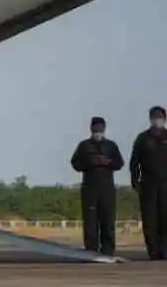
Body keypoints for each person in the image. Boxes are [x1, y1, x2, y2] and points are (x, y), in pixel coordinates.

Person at [69, 116, 124, 256]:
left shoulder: (111, 146)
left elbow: (119, 163)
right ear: (91, 129)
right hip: (90, 187)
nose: (98, 131)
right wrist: (90, 163)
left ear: (104, 129)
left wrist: (108, 162)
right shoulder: (84, 146)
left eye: (100, 129)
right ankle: (91, 250)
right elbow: (75, 164)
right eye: (95, 129)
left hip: (107, 188)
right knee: (90, 221)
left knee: (108, 219)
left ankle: (108, 250)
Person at [129, 105, 167, 260]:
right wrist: (135, 182)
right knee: (150, 219)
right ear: (150, 119)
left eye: (160, 116)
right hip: (148, 184)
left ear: (164, 118)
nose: (157, 119)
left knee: (165, 218)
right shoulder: (142, 138)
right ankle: (153, 251)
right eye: (154, 116)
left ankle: (165, 250)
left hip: (166, 185)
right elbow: (134, 163)